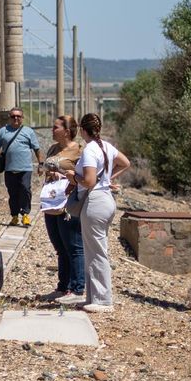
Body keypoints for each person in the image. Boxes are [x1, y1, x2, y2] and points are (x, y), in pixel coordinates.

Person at [77, 112, 131, 313]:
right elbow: (125, 162)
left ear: (83, 130)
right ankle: (93, 297)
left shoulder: (90, 150)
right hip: (107, 199)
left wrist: (74, 179)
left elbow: (89, 181)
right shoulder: (107, 146)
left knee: (97, 251)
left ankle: (103, 300)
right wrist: (108, 179)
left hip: (96, 202)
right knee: (93, 249)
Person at [37, 114, 86, 304]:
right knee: (60, 247)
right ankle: (63, 287)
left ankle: (77, 288)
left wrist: (64, 175)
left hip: (68, 203)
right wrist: (47, 172)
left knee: (73, 246)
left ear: (66, 131)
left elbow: (83, 175)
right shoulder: (53, 148)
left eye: (56, 127)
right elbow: (46, 168)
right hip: (51, 203)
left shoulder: (78, 152)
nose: (52, 129)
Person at [0, 108, 42, 227]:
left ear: (22, 118)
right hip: (9, 168)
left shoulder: (28, 131)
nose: (16, 118)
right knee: (12, 193)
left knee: (25, 190)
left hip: (25, 168)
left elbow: (37, 149)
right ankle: (14, 216)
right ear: (9, 117)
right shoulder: (3, 131)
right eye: (13, 116)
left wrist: (41, 164)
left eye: (18, 116)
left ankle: (25, 214)